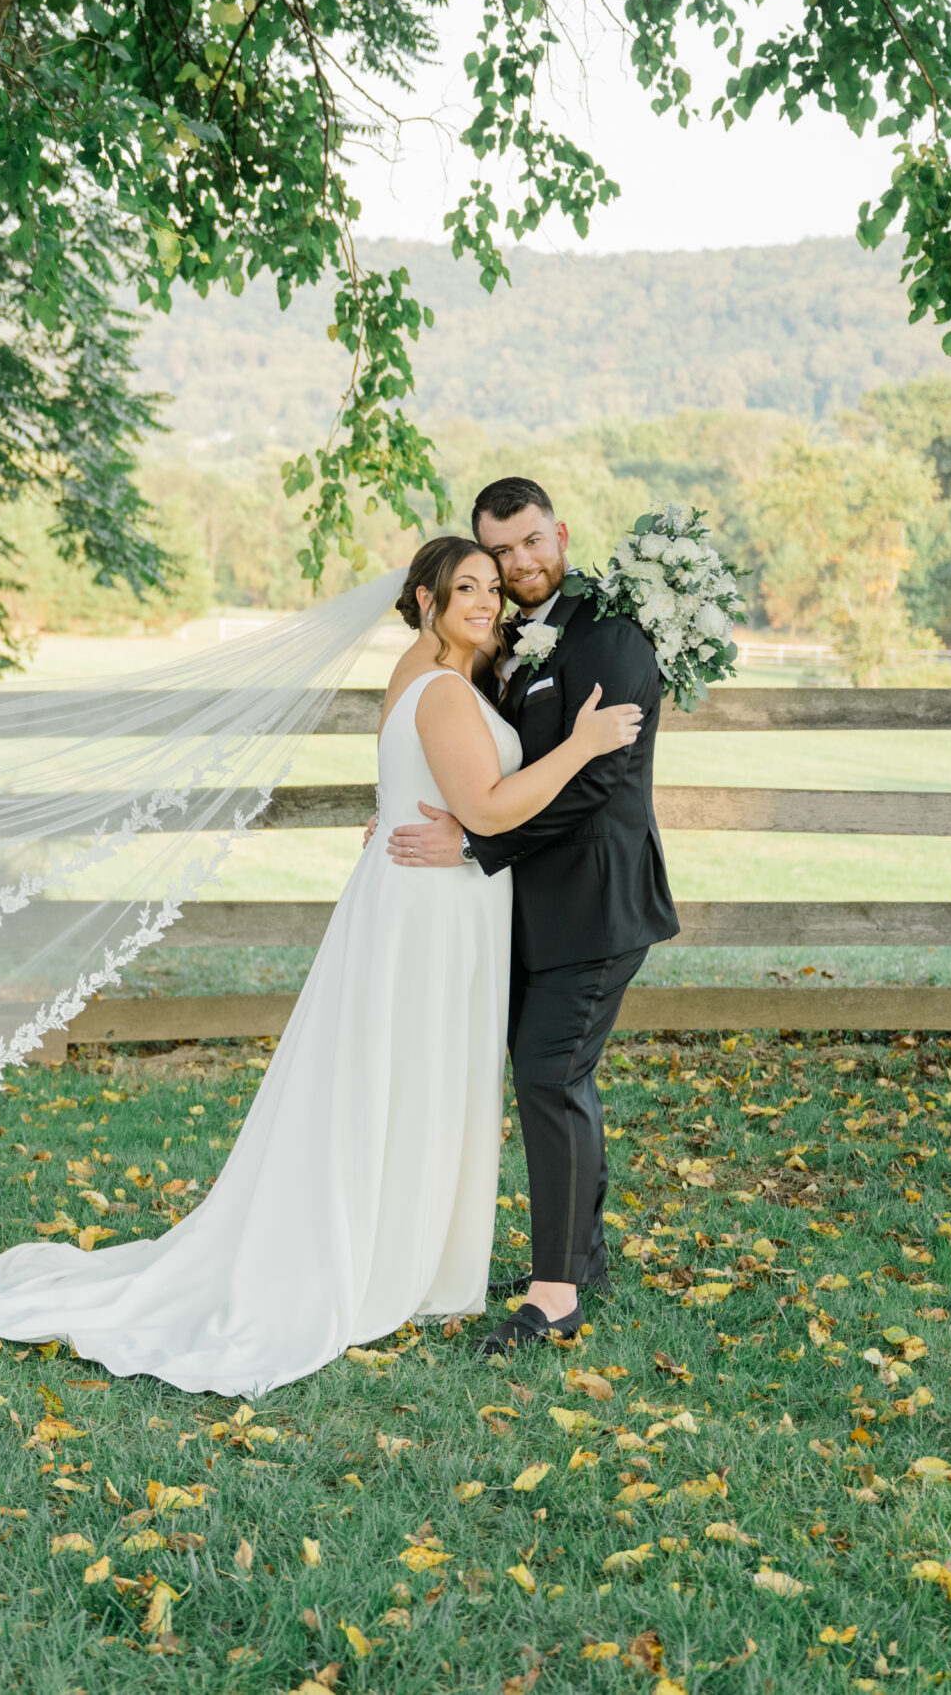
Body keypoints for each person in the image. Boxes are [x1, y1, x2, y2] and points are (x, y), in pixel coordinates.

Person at [0, 535, 642, 1397]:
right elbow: (488, 804)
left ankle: (402, 1240)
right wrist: (583, 743)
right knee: (411, 1081)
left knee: (392, 1082)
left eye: (493, 589)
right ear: (425, 601)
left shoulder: (423, 679)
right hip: (430, 916)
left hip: (418, 902)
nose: (486, 603)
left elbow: (425, 791)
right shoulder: (445, 695)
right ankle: (389, 1257)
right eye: (465, 587)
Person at [386, 477, 679, 1357]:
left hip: (597, 903)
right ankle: (575, 1256)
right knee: (552, 1078)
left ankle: (555, 1294)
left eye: (528, 543)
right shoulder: (507, 645)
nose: (517, 564)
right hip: (528, 913)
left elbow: (600, 781)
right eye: (498, 552)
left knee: (549, 1077)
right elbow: (474, 756)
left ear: (560, 532)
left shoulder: (614, 639)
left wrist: (479, 845)